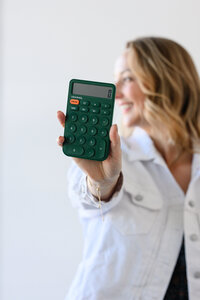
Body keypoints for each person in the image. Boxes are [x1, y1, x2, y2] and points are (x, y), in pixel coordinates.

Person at [57, 37, 200, 300]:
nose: (115, 92)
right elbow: (88, 198)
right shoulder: (113, 157)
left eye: (127, 78)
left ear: (167, 79)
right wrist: (102, 182)